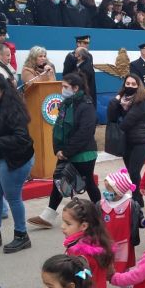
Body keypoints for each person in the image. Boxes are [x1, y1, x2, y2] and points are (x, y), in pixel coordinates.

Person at [28, 74, 99, 228]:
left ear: (76, 88)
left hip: (83, 154)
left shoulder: (86, 105)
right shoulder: (66, 104)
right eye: (62, 86)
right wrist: (58, 149)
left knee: (88, 184)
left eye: (66, 87)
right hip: (66, 152)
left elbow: (84, 133)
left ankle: (102, 213)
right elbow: (58, 128)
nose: (62, 89)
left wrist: (66, 151)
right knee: (59, 182)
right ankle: (47, 217)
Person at [0, 72, 35, 254]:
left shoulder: (13, 109)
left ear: (3, 90)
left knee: (12, 197)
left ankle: (21, 234)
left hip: (15, 158)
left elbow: (21, 139)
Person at [106, 74, 145, 206]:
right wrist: (115, 101)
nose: (130, 86)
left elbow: (126, 123)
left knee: (133, 171)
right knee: (132, 173)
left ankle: (136, 199)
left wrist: (118, 121)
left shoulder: (141, 102)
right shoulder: (122, 100)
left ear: (138, 86)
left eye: (133, 84)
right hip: (127, 141)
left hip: (141, 141)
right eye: (128, 84)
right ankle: (136, 198)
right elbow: (111, 117)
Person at [99, 168, 141, 288]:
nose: (106, 193)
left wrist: (142, 221)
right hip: (106, 241)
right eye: (105, 189)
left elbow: (138, 218)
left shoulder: (130, 204)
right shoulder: (101, 204)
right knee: (106, 263)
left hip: (123, 242)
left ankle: (124, 285)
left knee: (123, 264)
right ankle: (104, 281)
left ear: (119, 192)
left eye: (109, 190)